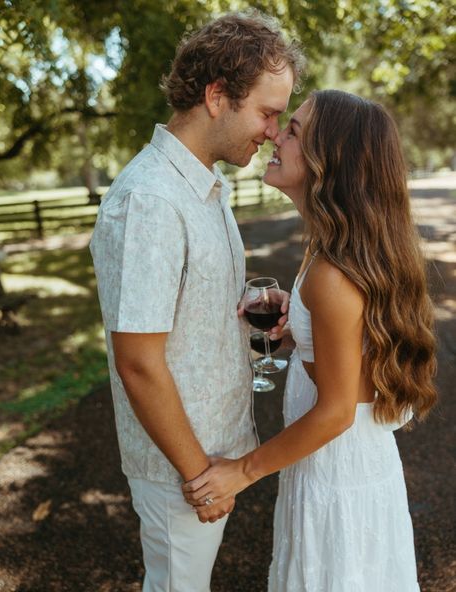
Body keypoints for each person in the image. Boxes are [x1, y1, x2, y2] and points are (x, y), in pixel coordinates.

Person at [182, 89, 438, 591]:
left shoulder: (331, 274)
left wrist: (243, 471)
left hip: (337, 473)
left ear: (331, 161)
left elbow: (337, 411)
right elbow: (352, 350)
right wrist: (302, 326)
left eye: (294, 130)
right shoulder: (337, 253)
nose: (276, 133)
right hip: (347, 465)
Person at [89, 11, 304, 592]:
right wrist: (200, 476)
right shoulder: (152, 200)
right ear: (216, 96)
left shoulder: (205, 187)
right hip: (183, 467)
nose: (273, 130)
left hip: (214, 455)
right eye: (267, 111)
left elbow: (199, 303)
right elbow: (137, 360)